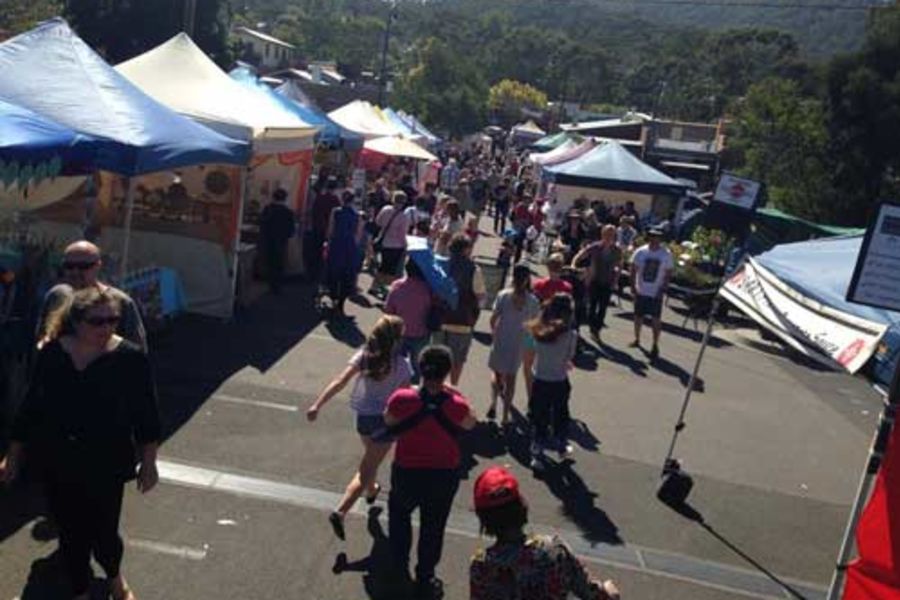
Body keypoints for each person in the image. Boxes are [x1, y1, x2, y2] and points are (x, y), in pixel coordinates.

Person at [1, 287, 160, 600]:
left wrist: (149, 461)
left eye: (112, 320)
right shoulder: (53, 353)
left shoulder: (129, 358)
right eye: (97, 321)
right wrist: (13, 455)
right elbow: (31, 406)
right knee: (71, 530)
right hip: (58, 457)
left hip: (107, 459)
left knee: (103, 532)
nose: (106, 328)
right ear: (75, 321)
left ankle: (114, 577)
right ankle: (80, 591)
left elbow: (146, 414)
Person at [306, 315, 412, 540]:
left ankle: (372, 490)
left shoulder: (364, 357)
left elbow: (340, 380)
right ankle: (341, 511)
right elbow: (404, 398)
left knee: (369, 463)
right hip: (385, 421)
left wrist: (318, 405)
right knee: (367, 467)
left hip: (363, 418)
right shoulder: (402, 366)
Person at [384, 345, 477, 599]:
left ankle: (398, 568)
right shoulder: (457, 404)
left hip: (406, 471)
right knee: (433, 526)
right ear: (447, 372)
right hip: (442, 474)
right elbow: (471, 422)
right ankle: (425, 576)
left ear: (421, 369)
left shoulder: (402, 398)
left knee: (400, 519)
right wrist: (455, 393)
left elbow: (389, 421)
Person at [470, 466, 620, 600]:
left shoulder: (481, 566)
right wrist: (607, 591)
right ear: (522, 507)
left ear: (484, 519)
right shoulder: (553, 549)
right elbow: (588, 590)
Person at [37, 241, 146, 353]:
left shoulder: (120, 301)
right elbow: (41, 338)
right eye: (69, 266)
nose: (75, 272)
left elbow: (137, 350)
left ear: (97, 266)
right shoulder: (56, 296)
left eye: (83, 266)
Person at [527, 293, 577, 467]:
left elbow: (535, 350)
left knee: (539, 415)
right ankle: (561, 445)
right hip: (559, 380)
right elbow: (569, 357)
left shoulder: (538, 330)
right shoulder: (571, 335)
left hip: (540, 378)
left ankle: (537, 451)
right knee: (561, 414)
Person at [487, 264, 539, 427]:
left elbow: (493, 318)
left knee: (496, 374)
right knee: (511, 379)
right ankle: (504, 415)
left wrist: (494, 332)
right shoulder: (532, 301)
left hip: (502, 338)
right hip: (518, 342)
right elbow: (534, 323)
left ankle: (494, 402)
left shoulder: (503, 295)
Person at [433, 234, 486, 386]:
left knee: (437, 359)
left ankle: (436, 386)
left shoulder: (441, 265)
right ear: (466, 249)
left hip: (440, 319)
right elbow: (481, 298)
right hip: (462, 322)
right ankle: (452, 388)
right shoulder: (474, 270)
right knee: (457, 360)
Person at [572, 225, 623, 342]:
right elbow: (579, 255)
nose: (609, 237)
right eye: (606, 234)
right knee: (592, 306)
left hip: (608, 281)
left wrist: (616, 280)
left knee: (603, 308)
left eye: (611, 234)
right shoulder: (595, 247)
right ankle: (592, 328)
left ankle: (596, 330)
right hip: (594, 280)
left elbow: (619, 266)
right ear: (602, 234)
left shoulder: (617, 250)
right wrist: (574, 266)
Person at [386, 260, 433, 383]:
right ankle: (412, 393)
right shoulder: (428, 288)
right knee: (417, 367)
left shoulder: (396, 285)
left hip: (399, 332)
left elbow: (388, 310)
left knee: (395, 364)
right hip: (420, 333)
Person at [630, 227, 674, 358]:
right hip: (641, 289)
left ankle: (655, 344)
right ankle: (637, 339)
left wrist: (663, 289)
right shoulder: (641, 252)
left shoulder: (665, 254)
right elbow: (633, 269)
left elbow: (668, 273)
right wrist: (633, 285)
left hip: (656, 292)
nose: (655, 239)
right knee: (638, 316)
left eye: (658, 237)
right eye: (653, 236)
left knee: (656, 320)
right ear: (649, 237)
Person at [325, 190, 362, 317]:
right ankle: (341, 302)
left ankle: (333, 297)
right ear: (352, 200)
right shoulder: (356, 214)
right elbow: (358, 234)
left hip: (336, 243)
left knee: (334, 271)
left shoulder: (335, 211)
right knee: (347, 274)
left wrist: (328, 242)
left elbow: (330, 229)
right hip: (349, 245)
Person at [372, 191, 411, 296]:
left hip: (383, 241)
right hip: (396, 245)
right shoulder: (403, 217)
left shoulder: (385, 209)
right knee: (391, 271)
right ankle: (385, 289)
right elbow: (402, 235)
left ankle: (374, 286)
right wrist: (406, 246)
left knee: (382, 267)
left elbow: (377, 222)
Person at [259, 188, 296, 294]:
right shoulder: (288, 213)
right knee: (279, 263)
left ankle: (269, 283)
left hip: (268, 241)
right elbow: (291, 231)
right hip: (281, 242)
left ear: (273, 197)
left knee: (269, 262)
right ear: (285, 198)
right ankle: (277, 286)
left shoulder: (267, 209)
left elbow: (262, 224)